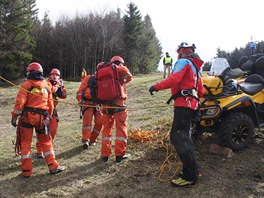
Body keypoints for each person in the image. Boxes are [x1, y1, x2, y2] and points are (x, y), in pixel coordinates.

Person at [149, 42, 204, 187]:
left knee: (178, 137)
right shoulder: (197, 69)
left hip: (183, 105)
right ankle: (194, 169)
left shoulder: (183, 61)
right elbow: (201, 91)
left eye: (178, 52)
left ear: (182, 52)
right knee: (184, 138)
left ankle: (190, 176)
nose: (177, 55)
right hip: (192, 105)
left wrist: (156, 86)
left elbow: (174, 79)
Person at [11, 62, 65, 178]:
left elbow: (20, 103)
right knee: (46, 142)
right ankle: (53, 167)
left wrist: (14, 116)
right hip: (42, 118)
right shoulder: (46, 85)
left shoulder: (26, 85)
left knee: (25, 144)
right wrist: (49, 117)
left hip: (27, 118)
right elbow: (50, 104)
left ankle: (26, 171)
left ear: (29, 72)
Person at [101, 56, 132, 163]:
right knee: (121, 128)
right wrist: (120, 83)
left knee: (106, 129)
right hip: (119, 104)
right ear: (121, 63)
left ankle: (105, 155)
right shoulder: (120, 68)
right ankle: (120, 154)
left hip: (105, 105)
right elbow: (129, 77)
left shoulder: (102, 71)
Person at [36, 68, 67, 158]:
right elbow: (51, 90)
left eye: (56, 75)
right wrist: (57, 86)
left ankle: (48, 148)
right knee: (42, 131)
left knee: (53, 130)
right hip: (43, 111)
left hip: (53, 112)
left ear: (59, 77)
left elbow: (64, 96)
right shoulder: (45, 83)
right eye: (53, 75)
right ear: (50, 75)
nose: (54, 76)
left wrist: (62, 87)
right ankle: (39, 151)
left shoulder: (58, 85)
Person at [76, 62, 104, 149]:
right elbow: (81, 90)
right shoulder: (88, 78)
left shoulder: (106, 80)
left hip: (99, 105)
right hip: (87, 103)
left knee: (100, 122)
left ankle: (92, 139)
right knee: (87, 123)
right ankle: (86, 140)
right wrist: (80, 99)